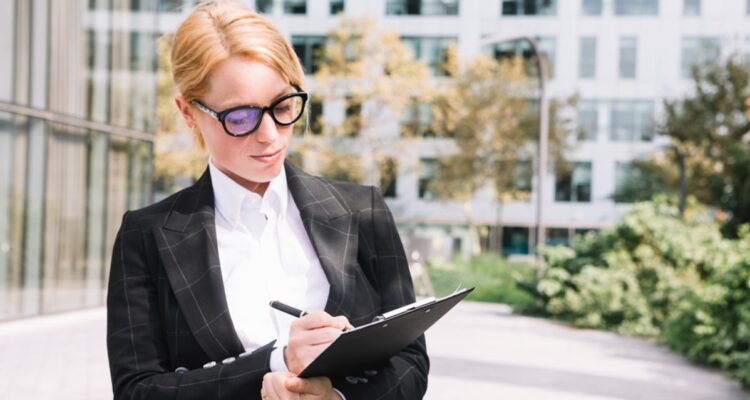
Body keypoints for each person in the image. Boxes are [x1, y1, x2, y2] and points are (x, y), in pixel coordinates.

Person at [105, 1, 429, 399]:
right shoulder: (147, 236)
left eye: (283, 106)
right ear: (188, 113)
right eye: (240, 117)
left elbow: (410, 363)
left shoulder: (363, 211)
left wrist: (337, 398)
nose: (270, 135)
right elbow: (136, 391)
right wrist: (277, 361)